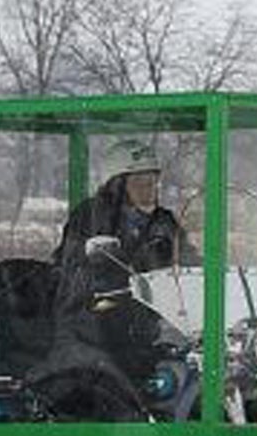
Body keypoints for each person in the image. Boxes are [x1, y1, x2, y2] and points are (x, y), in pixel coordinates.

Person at [49, 138, 196, 397]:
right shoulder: (92, 217)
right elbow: (74, 268)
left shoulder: (164, 222)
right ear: (116, 187)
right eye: (139, 183)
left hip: (156, 323)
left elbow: (187, 262)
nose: (148, 189)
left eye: (152, 182)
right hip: (98, 326)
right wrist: (102, 267)